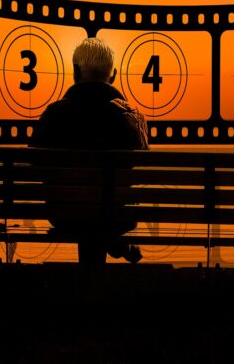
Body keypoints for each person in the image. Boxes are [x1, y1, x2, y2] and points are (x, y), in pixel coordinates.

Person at [31, 37, 148, 264]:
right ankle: (113, 243)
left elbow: (35, 167)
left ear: (75, 71)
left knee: (86, 212)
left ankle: (111, 247)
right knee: (102, 211)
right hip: (116, 217)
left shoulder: (53, 115)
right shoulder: (130, 118)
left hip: (65, 216)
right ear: (112, 75)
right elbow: (141, 166)